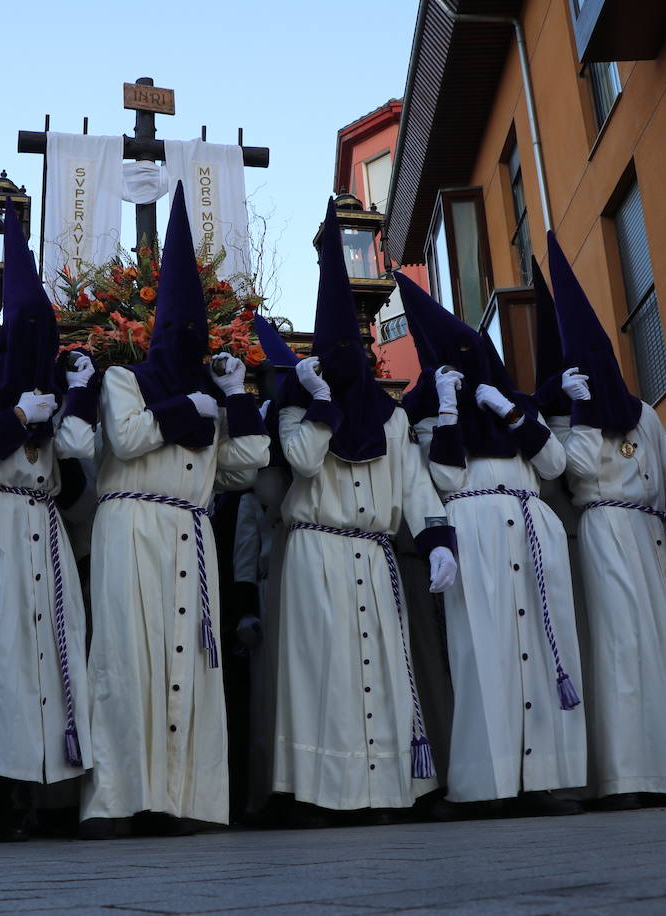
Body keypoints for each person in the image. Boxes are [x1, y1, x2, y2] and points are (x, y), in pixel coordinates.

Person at [79, 186, 270, 838]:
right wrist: (192, 409)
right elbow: (128, 438)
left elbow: (245, 467)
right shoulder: (124, 381)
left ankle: (187, 797)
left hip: (189, 529)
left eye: (197, 334)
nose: (186, 342)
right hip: (130, 525)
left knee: (189, 659)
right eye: (177, 333)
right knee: (128, 658)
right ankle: (118, 797)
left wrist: (235, 394)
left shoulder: (211, 395)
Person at [269, 206, 458, 826]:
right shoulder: (299, 407)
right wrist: (321, 404)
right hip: (316, 551)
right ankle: (325, 793)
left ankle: (386, 790)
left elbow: (415, 483)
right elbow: (299, 464)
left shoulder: (392, 416)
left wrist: (436, 540)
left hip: (374, 555)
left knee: (379, 665)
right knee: (322, 673)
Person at [395, 270, 585, 818]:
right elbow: (447, 481)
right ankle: (487, 782)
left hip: (529, 524)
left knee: (544, 648)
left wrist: (510, 411)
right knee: (482, 651)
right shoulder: (432, 412)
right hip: (471, 529)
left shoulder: (514, 402)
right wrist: (451, 411)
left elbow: (553, 464)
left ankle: (545, 778)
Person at [545, 232, 666, 808]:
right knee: (621, 646)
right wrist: (581, 415)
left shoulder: (643, 412)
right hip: (605, 534)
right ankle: (628, 775)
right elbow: (570, 472)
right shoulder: (574, 419)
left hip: (652, 537)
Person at [0, 201, 97, 843]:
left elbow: (78, 465)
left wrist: (73, 402)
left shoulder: (57, 392)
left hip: (43, 529)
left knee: (41, 660)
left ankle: (28, 795)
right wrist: (15, 420)